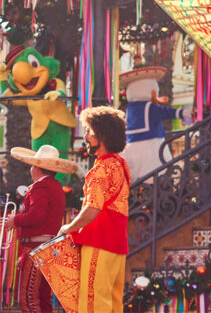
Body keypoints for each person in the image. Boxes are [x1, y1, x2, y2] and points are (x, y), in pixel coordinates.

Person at [57, 106, 131, 313]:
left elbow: (92, 209)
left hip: (99, 242)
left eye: (89, 131)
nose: (86, 137)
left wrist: (68, 228)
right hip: (117, 245)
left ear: (102, 134)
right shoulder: (121, 164)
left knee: (92, 304)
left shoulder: (101, 169)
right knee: (113, 304)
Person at [6, 145, 77, 313]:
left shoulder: (40, 187)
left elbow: (36, 215)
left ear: (36, 168)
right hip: (47, 248)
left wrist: (15, 220)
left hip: (36, 248)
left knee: (28, 299)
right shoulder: (55, 186)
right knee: (42, 298)